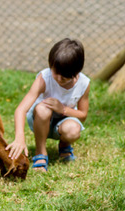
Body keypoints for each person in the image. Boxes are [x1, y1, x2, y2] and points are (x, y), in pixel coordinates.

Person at [6, 38, 90, 172]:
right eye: (56, 72)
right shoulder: (44, 78)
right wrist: (19, 137)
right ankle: (41, 153)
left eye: (65, 76)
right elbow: (21, 109)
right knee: (43, 109)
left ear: (76, 73)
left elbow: (83, 115)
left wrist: (63, 109)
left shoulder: (84, 83)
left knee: (73, 130)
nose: (58, 79)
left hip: (64, 120)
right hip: (40, 120)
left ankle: (64, 145)